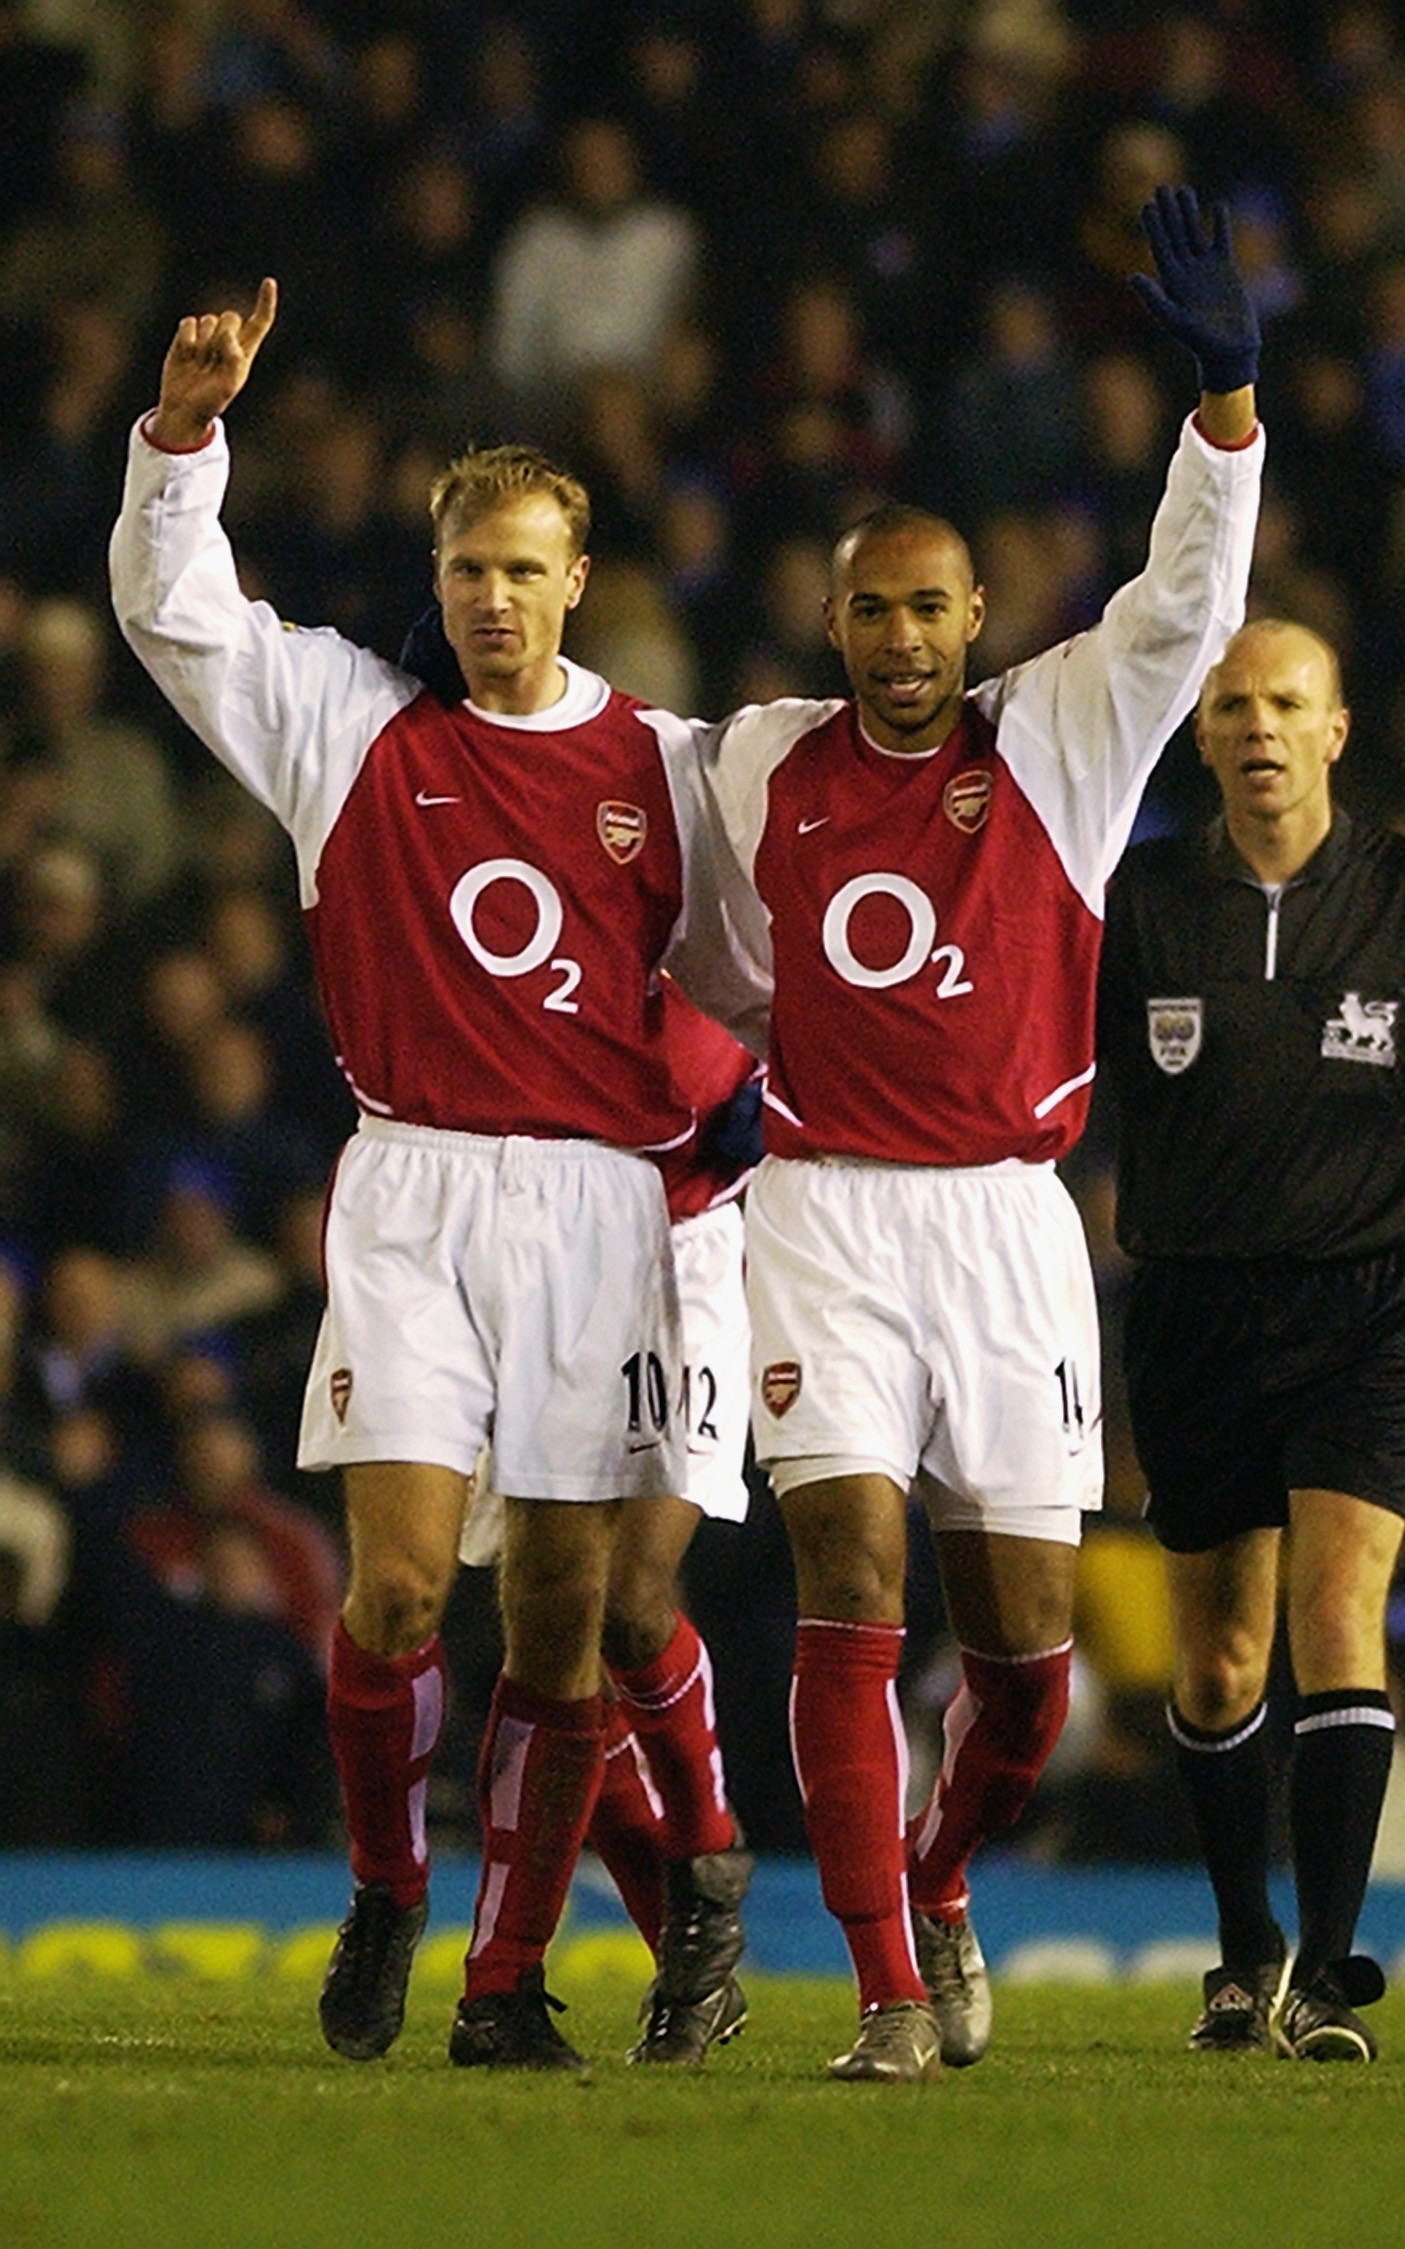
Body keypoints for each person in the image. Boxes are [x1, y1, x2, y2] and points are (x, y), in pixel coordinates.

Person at [109, 276, 763, 2073]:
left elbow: (744, 990)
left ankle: (502, 1980)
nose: (489, 596)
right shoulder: (350, 723)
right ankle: (390, 1884)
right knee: (396, 1587)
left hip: (597, 1213)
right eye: (465, 565)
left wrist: (722, 1115)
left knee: (557, 1629)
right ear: (442, 567)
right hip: (406, 1192)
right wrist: (185, 437)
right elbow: (175, 614)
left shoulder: (668, 767)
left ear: (576, 577)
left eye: (522, 567)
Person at [687, 184, 1265, 2082]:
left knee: (1026, 1665)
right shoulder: (761, 758)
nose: (902, 637)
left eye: (930, 606)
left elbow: (1187, 606)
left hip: (1011, 1224)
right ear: (832, 618)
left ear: (974, 617)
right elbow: (660, 900)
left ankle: (942, 1867)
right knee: (845, 1578)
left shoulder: (1060, 741)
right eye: (871, 606)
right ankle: (880, 1988)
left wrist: (1224, 411)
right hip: (825, 1218)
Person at [1095, 616, 1405, 2062]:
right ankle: (1241, 1948)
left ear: (1335, 729)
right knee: (1219, 1662)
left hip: (1365, 1309)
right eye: (1231, 705)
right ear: (1202, 735)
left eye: (1283, 703)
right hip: (1191, 1312)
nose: (1255, 727)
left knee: (1333, 1616)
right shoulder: (1140, 901)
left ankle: (1323, 1964)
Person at [458, 974, 762, 2064]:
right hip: (540, 1250)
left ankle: (708, 1865)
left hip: (689, 1248)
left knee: (633, 1609)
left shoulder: (712, 839)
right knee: (556, 1634)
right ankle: (666, 1954)